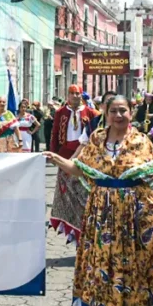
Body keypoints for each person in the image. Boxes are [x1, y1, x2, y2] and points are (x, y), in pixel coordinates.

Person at [45, 95, 153, 306]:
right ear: (106, 113)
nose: (118, 115)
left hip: (132, 213)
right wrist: (58, 160)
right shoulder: (96, 140)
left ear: (131, 113)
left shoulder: (141, 141)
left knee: (130, 259)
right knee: (100, 259)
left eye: (123, 110)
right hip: (100, 213)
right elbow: (79, 169)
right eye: (113, 111)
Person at [48, 85, 94, 241]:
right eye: (73, 94)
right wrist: (53, 153)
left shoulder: (91, 113)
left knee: (81, 191)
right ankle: (68, 225)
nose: (76, 96)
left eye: (78, 94)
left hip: (84, 158)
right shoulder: (61, 112)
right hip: (65, 154)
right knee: (65, 192)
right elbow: (54, 133)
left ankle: (81, 227)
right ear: (67, 95)